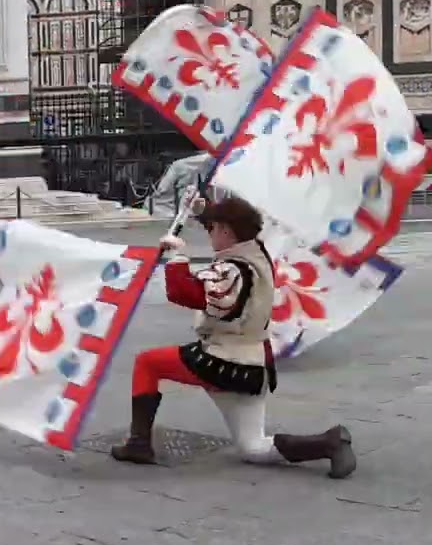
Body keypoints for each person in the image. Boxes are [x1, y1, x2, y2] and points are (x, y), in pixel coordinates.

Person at [109, 195, 356, 479]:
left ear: (226, 231)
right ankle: (330, 442)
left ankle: (138, 444)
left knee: (147, 363)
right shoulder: (257, 252)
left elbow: (186, 293)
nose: (211, 235)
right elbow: (226, 233)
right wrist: (203, 211)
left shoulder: (233, 269)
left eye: (213, 229)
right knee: (254, 448)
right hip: (253, 364)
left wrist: (177, 256)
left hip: (223, 361)